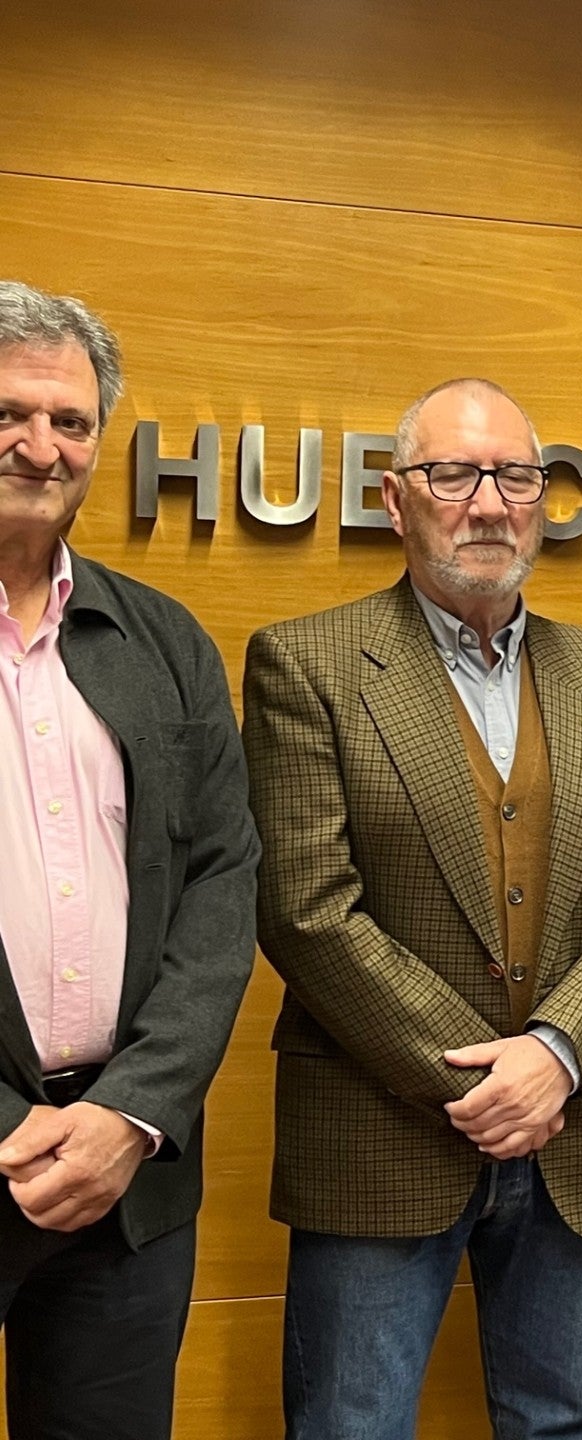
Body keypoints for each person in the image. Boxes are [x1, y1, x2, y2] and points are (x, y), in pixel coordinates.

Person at [243, 377, 582, 1439]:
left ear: (546, 501)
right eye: (454, 474)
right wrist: (490, 1078)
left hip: (574, 1126)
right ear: (398, 500)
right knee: (351, 1427)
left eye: (516, 477)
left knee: (562, 1424)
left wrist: (556, 1055)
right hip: (379, 1128)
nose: (487, 503)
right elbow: (307, 908)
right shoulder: (306, 665)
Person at [0, 280, 259, 1435]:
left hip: (128, 1178)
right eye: (8, 412)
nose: (38, 446)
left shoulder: (160, 640)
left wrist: (132, 1113)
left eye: (70, 421)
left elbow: (223, 881)